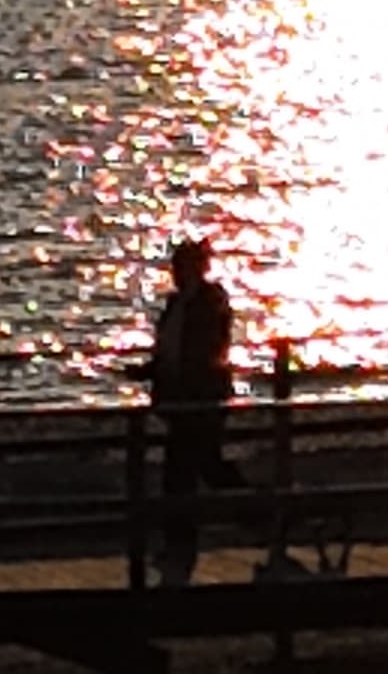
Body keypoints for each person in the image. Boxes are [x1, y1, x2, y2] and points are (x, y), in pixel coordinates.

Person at [147, 240, 243, 581]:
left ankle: (255, 512)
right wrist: (152, 371)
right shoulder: (177, 304)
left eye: (181, 266)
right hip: (179, 400)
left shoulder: (209, 302)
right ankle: (183, 540)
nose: (175, 273)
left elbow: (205, 349)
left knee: (190, 470)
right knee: (192, 470)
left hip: (199, 399)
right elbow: (169, 349)